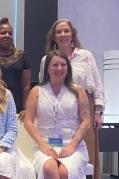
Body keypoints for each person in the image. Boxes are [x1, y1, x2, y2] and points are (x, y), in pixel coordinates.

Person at [39, 19, 104, 178]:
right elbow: (43, 86)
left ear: (72, 34)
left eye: (66, 31)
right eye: (58, 32)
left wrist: (97, 112)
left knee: (85, 153)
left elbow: (96, 84)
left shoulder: (85, 56)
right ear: (53, 37)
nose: (62, 35)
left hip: (83, 108)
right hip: (57, 107)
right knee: (57, 154)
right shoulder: (45, 60)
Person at [25, 50, 90, 178]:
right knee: (50, 168)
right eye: (55, 65)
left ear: (68, 68)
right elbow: (28, 121)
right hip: (45, 145)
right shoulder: (36, 91)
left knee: (64, 172)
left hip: (73, 146)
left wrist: (72, 145)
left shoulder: (78, 91)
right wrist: (43, 146)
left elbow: (86, 120)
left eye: (63, 65)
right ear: (47, 68)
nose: (59, 68)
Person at [0, 17, 30, 115]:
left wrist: (25, 108)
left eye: (10, 33)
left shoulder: (22, 57)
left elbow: (26, 86)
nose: (7, 35)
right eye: (3, 33)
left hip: (17, 109)